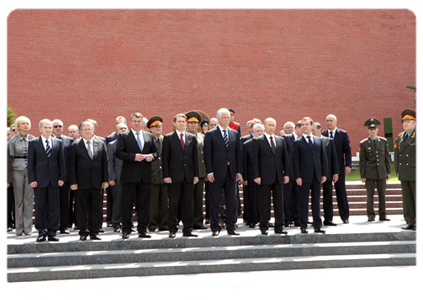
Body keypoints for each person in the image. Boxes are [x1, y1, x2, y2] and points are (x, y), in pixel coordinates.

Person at [116, 112, 158, 239]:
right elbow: (119, 153)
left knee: (144, 205)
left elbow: (156, 152)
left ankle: (142, 229)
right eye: (134, 121)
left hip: (145, 176)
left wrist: (152, 157)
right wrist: (133, 157)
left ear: (143, 122)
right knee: (127, 204)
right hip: (129, 176)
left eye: (139, 121)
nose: (137, 123)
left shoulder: (149, 136)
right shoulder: (124, 136)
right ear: (130, 122)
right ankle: (126, 229)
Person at [204, 108, 243, 236]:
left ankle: (231, 227)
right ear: (219, 118)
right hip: (216, 173)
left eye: (229, 117)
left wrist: (239, 171)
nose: (227, 120)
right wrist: (209, 171)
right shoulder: (210, 134)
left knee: (232, 201)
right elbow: (207, 154)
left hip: (231, 173)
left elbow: (238, 154)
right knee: (215, 201)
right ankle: (215, 228)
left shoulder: (234, 134)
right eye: (225, 117)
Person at [69, 121, 109, 240]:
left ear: (93, 130)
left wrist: (105, 179)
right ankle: (83, 231)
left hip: (97, 182)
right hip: (81, 183)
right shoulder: (75, 145)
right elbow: (71, 165)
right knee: (81, 209)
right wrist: (73, 182)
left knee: (96, 208)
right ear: (80, 132)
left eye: (89, 129)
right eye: (85, 129)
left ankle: (94, 231)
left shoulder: (101, 144)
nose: (87, 131)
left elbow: (105, 163)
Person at [28, 119, 65, 242]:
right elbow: (31, 163)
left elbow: (61, 162)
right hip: (39, 180)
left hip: (54, 180)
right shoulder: (33, 143)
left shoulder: (58, 142)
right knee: (40, 206)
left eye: (50, 127)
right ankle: (41, 231)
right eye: (46, 127)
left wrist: (61, 177)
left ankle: (52, 231)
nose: (48, 129)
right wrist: (32, 179)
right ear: (40, 129)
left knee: (53, 207)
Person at [162, 113, 199, 238]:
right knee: (173, 203)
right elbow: (165, 159)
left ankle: (188, 229)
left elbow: (195, 158)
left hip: (188, 175)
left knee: (188, 203)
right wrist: (166, 175)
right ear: (174, 123)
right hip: (174, 175)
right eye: (179, 121)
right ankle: (172, 228)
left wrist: (196, 175)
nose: (182, 123)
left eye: (184, 121)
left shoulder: (191, 138)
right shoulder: (168, 138)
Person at [253, 118, 290, 235]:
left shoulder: (281, 140)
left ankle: (279, 226)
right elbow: (255, 160)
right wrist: (256, 175)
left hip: (278, 177)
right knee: (264, 203)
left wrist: (287, 174)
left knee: (279, 202)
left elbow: (285, 159)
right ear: (264, 126)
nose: (271, 127)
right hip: (264, 177)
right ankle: (264, 226)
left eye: (273, 125)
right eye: (269, 125)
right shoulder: (258, 141)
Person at [293, 117, 328, 234]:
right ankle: (303, 225)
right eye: (302, 124)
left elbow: (323, 159)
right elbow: (295, 161)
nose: (304, 126)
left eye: (307, 124)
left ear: (311, 126)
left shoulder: (319, 141)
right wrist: (297, 176)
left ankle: (317, 225)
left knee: (316, 202)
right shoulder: (297, 142)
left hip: (317, 176)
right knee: (303, 202)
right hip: (303, 177)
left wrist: (324, 174)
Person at [359, 118, 391, 222]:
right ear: (367, 130)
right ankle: (370, 215)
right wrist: (363, 175)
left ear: (377, 129)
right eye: (370, 129)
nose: (373, 131)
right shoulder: (363, 143)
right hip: (370, 173)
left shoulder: (383, 141)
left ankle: (383, 215)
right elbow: (362, 161)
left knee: (382, 195)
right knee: (370, 196)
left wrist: (388, 171)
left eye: (374, 128)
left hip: (381, 172)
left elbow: (387, 158)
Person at [8, 116, 36, 236]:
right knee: (18, 200)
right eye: (23, 123)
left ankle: (28, 228)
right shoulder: (13, 140)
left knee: (28, 199)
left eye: (27, 123)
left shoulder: (33, 139)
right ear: (18, 126)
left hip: (30, 169)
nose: (25, 125)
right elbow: (10, 157)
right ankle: (18, 228)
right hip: (17, 169)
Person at [322, 114, 352, 224]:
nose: (329, 122)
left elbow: (347, 150)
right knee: (327, 194)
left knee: (341, 192)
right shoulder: (322, 134)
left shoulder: (342, 134)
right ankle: (328, 218)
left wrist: (348, 165)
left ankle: (345, 216)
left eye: (331, 120)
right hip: (327, 169)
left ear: (336, 122)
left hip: (339, 168)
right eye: (327, 120)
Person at [395, 109, 420, 230]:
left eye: (408, 122)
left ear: (414, 124)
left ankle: (418, 221)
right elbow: (397, 155)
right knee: (407, 198)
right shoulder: (400, 137)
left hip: (415, 173)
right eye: (404, 122)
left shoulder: (418, 137)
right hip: (404, 172)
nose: (405, 124)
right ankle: (409, 220)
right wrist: (397, 171)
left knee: (417, 197)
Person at [312, 122, 339, 226]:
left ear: (320, 129)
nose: (312, 132)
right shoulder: (311, 141)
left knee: (328, 196)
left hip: (328, 172)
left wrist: (335, 172)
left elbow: (334, 158)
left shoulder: (329, 141)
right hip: (315, 173)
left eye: (314, 130)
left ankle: (328, 218)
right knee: (315, 197)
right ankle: (315, 219)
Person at [146, 116, 168, 232]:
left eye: (160, 126)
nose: (158, 128)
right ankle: (152, 224)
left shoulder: (166, 139)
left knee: (164, 202)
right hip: (152, 175)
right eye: (155, 126)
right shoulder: (148, 140)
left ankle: (164, 224)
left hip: (164, 174)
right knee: (153, 203)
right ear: (150, 128)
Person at [52, 119, 74, 234]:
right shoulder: (48, 141)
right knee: (52, 203)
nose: (58, 128)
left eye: (60, 126)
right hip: (51, 177)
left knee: (65, 203)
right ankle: (52, 226)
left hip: (66, 178)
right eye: (55, 126)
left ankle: (64, 226)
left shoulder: (69, 141)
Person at [186, 111, 207, 230]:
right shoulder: (184, 136)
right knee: (188, 198)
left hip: (200, 171)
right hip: (187, 172)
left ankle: (198, 222)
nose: (193, 125)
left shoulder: (202, 137)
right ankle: (188, 221)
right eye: (191, 123)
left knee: (198, 198)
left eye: (195, 123)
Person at [242, 123, 264, 228]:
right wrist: (244, 178)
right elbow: (244, 163)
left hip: (265, 176)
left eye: (261, 131)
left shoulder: (267, 142)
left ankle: (264, 219)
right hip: (251, 176)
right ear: (253, 132)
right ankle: (253, 219)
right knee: (252, 199)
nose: (259, 133)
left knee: (264, 198)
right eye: (257, 131)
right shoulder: (247, 144)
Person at [107, 122, 128, 232]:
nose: (123, 130)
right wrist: (111, 177)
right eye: (121, 129)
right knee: (118, 203)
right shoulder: (112, 145)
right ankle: (116, 223)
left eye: (125, 128)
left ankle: (127, 224)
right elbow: (110, 162)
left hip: (130, 178)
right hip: (118, 178)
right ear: (117, 132)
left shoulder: (131, 144)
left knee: (128, 203)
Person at [5, 140, 14, 232]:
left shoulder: (5, 144)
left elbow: (7, 163)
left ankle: (7, 223)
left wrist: (8, 180)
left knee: (6, 204)